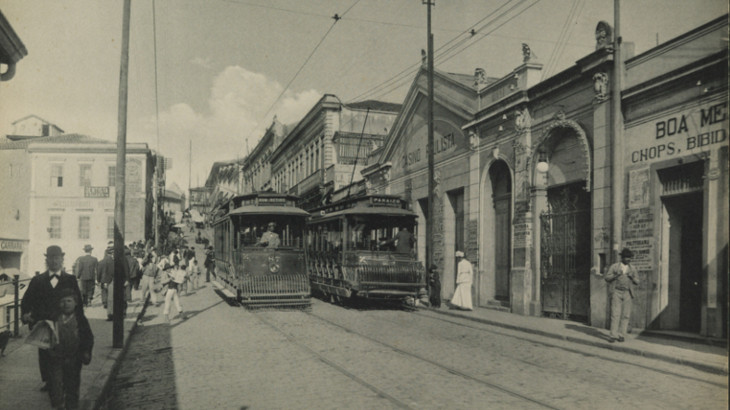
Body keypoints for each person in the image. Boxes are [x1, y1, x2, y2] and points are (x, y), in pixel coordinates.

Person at [21, 245, 84, 392]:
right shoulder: (37, 280)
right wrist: (25, 314)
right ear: (46, 260)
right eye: (51, 258)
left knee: (64, 352)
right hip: (43, 324)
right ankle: (49, 381)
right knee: (45, 354)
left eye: (57, 258)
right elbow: (26, 300)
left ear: (62, 260)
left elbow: (78, 302)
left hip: (65, 323)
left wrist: (80, 322)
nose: (54, 261)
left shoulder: (70, 279)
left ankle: (62, 381)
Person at [47, 288, 94, 410]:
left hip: (74, 358)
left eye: (69, 301)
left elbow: (88, 338)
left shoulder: (80, 320)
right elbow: (47, 336)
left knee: (72, 386)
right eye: (62, 301)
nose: (66, 304)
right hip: (56, 358)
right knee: (55, 385)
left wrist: (86, 351)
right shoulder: (54, 318)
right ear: (58, 304)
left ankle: (71, 406)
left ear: (76, 303)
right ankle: (58, 405)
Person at [604, 247, 640, 343]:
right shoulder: (615, 266)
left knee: (626, 315)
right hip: (616, 292)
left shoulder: (632, 268)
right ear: (622, 258)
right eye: (627, 257)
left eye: (630, 258)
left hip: (628, 292)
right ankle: (613, 335)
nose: (629, 259)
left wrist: (632, 277)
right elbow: (607, 278)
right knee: (615, 314)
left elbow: (637, 281)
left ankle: (621, 334)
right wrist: (616, 275)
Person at [97, 246, 114, 311]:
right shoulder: (113, 262)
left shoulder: (101, 262)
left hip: (103, 279)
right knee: (110, 292)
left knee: (104, 291)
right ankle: (109, 303)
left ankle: (104, 302)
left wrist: (98, 280)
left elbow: (99, 272)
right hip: (111, 280)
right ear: (111, 254)